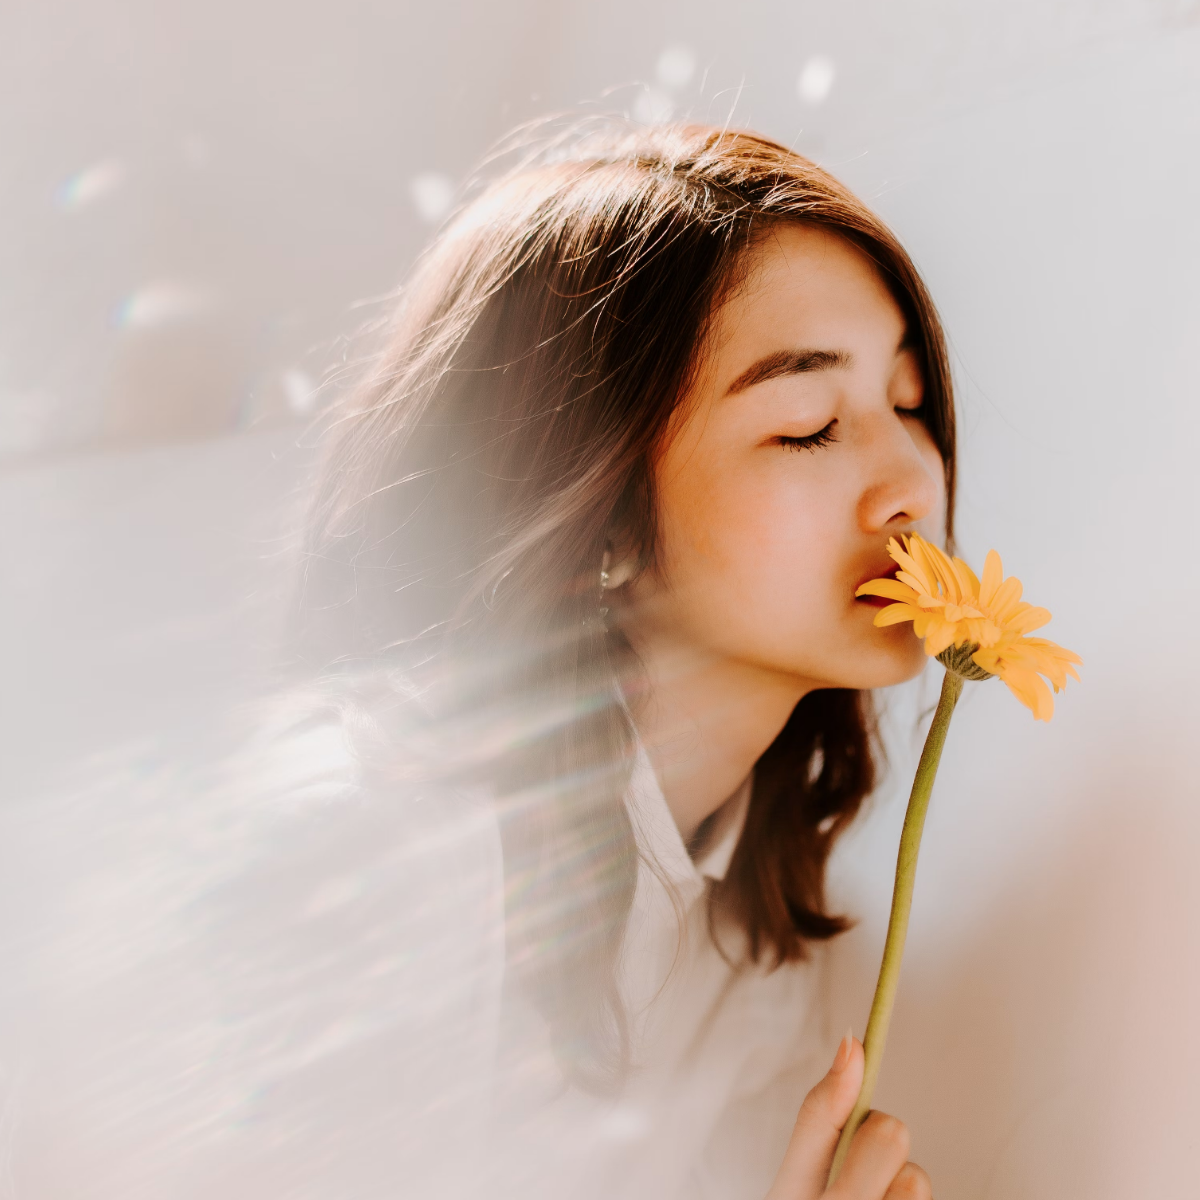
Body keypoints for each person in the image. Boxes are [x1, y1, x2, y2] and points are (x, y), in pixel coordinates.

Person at [300, 119, 954, 1199]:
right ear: (592, 517)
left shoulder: (761, 944)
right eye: (806, 424)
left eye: (910, 405)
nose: (913, 483)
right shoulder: (379, 854)